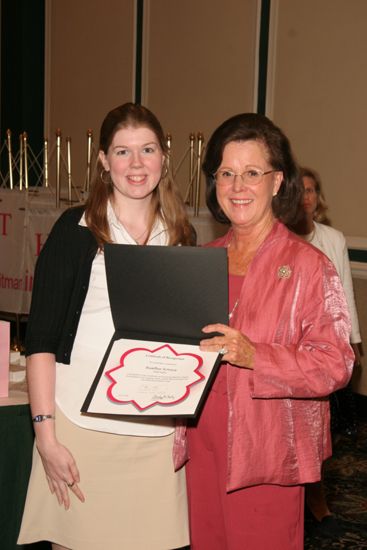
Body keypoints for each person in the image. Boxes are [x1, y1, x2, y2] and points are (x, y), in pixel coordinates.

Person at [18, 102, 194, 550]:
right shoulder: (73, 231)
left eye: (147, 150)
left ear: (164, 157)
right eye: (122, 152)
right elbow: (40, 341)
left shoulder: (180, 236)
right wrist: (46, 436)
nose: (136, 164)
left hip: (156, 440)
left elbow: (186, 340)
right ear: (103, 161)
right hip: (80, 433)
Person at [175, 113, 355, 550]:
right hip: (200, 445)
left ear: (277, 182)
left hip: (267, 453)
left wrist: (256, 355)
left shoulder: (310, 266)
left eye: (252, 173)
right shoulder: (200, 260)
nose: (238, 186)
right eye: (227, 173)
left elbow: (336, 363)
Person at [291, 166, 362, 534]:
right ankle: (304, 500)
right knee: (297, 430)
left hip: (327, 346)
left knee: (327, 430)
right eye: (300, 189)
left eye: (312, 190)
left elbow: (344, 289)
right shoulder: (279, 236)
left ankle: (315, 494)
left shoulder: (332, 237)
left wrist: (353, 338)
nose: (307, 196)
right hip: (291, 350)